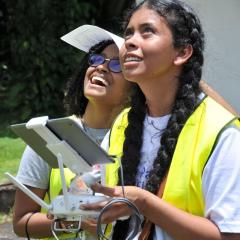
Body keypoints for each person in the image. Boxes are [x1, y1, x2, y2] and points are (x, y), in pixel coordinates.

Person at [81, 1, 240, 240]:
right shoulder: (124, 122)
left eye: (148, 31)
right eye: (128, 33)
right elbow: (98, 191)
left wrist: (144, 203)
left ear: (182, 53)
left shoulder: (221, 132)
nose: (130, 42)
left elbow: (229, 236)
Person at [13, 25, 132, 239]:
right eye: (97, 59)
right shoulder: (49, 135)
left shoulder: (140, 141)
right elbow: (21, 222)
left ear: (136, 86)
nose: (101, 68)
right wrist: (72, 220)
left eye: (117, 65)